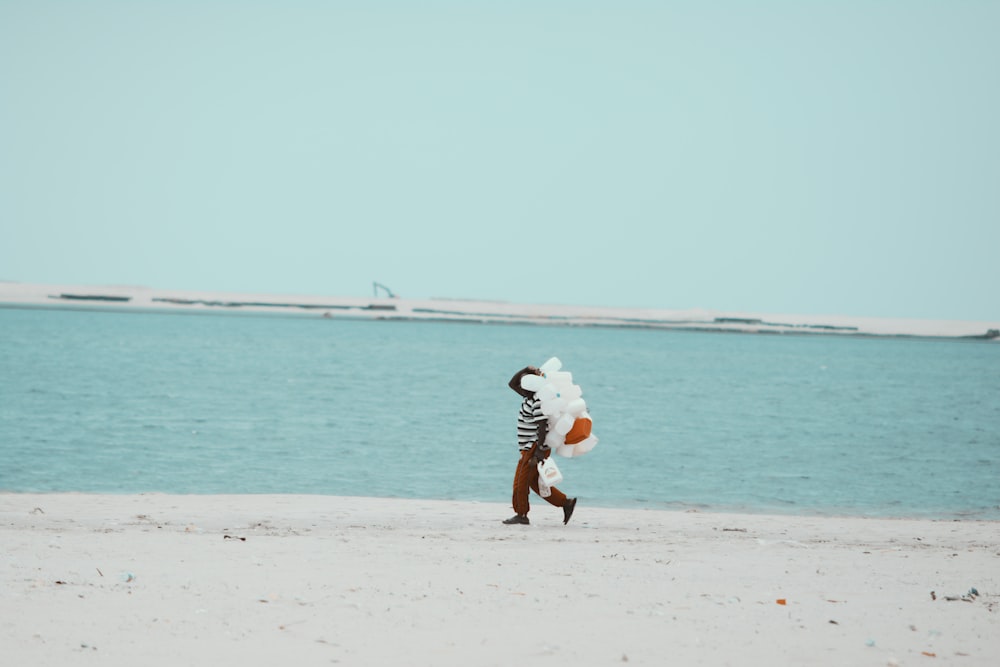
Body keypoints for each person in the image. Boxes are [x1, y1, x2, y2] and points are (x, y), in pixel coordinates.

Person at [503, 365, 577, 525]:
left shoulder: (537, 402)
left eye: (526, 382)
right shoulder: (528, 397)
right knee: (536, 483)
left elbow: (542, 426)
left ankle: (521, 514)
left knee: (519, 483)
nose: (521, 385)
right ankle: (566, 503)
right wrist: (526, 369)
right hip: (531, 448)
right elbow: (511, 383)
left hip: (533, 448)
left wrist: (539, 453)